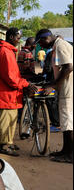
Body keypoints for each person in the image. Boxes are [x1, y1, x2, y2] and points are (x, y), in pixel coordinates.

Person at [0, 28, 38, 156]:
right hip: (6, 92)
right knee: (7, 119)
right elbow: (10, 77)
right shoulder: (6, 52)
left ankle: (9, 141)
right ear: (11, 37)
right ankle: (4, 145)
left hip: (10, 93)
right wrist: (25, 84)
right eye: (18, 38)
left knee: (12, 118)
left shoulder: (8, 51)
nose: (19, 40)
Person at [36, 29, 73, 163]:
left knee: (68, 122)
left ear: (46, 39)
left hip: (69, 88)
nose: (41, 46)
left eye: (41, 42)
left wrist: (54, 85)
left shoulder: (61, 45)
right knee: (65, 121)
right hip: (65, 87)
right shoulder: (57, 45)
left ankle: (70, 155)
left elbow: (69, 67)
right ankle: (66, 150)